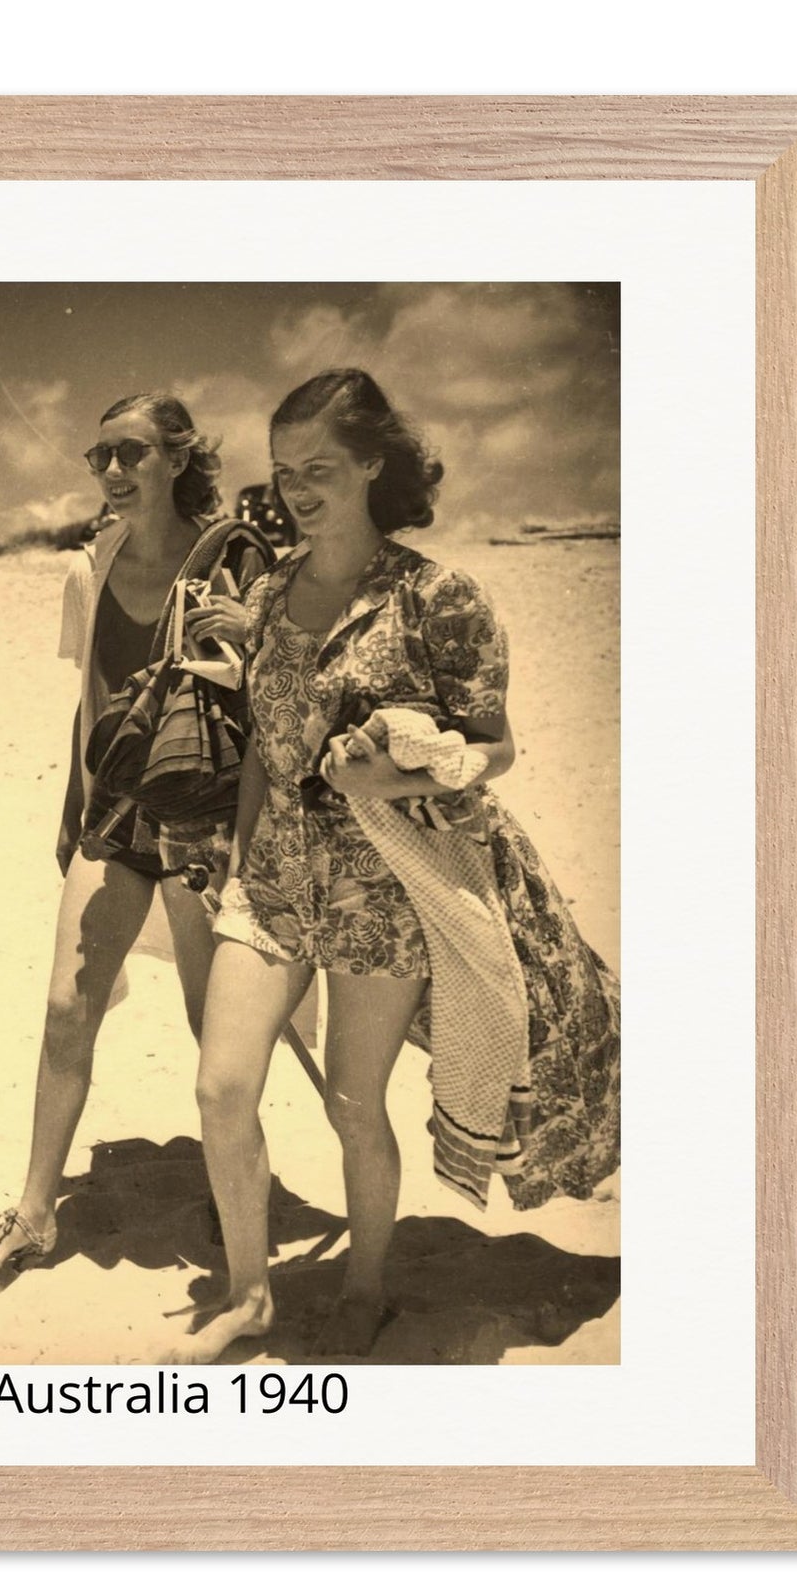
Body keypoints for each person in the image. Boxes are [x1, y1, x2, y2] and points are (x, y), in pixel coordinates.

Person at [179, 368, 621, 1361]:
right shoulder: (272, 589)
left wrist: (389, 771)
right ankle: (249, 1296)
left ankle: (366, 1284)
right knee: (218, 1086)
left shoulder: (435, 596)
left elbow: (491, 743)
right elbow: (262, 741)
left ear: (372, 463)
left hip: (384, 883)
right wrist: (234, 861)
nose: (296, 489)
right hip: (271, 877)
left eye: (320, 468)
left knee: (349, 1098)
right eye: (284, 471)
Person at [0, 394, 273, 1279]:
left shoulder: (235, 558)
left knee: (214, 1023)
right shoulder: (90, 562)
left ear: (178, 458)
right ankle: (33, 1211)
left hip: (205, 814)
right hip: (116, 814)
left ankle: (231, 1185)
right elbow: (93, 700)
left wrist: (247, 647)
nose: (111, 472)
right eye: (98, 457)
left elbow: (283, 693)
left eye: (130, 453)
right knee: (67, 1008)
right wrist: (74, 814)